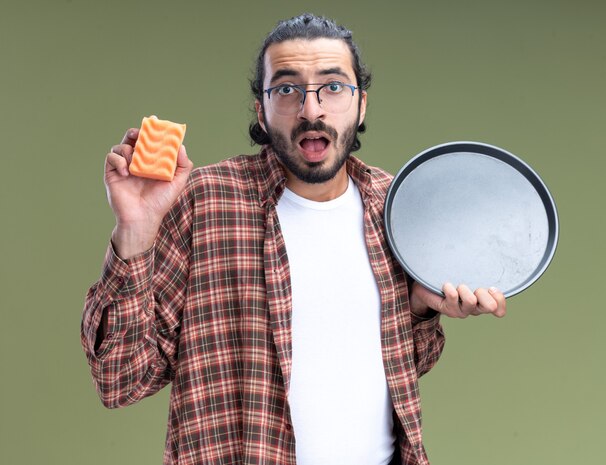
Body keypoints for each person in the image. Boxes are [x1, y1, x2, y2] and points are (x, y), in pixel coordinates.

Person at [81, 13, 506, 465]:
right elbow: (119, 379)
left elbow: (400, 369)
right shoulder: (205, 203)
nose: (311, 109)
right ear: (260, 110)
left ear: (361, 104)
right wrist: (135, 230)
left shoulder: (394, 205)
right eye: (286, 89)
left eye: (333, 87)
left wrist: (419, 310)